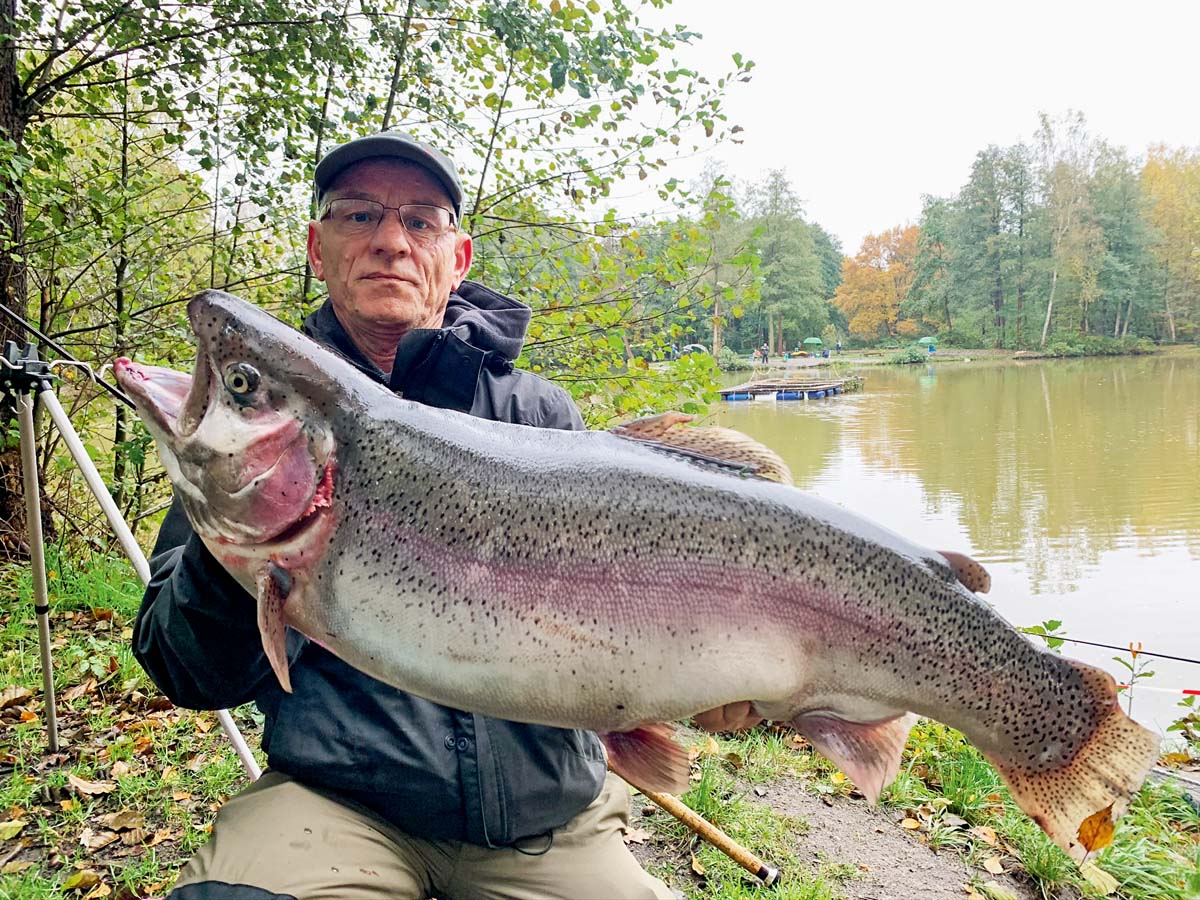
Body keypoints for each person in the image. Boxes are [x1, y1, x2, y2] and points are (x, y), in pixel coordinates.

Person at [133, 131, 759, 900]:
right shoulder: (259, 434)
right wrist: (241, 549)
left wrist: (715, 681)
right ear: (316, 248)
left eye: (420, 221)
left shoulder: (537, 413)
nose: (390, 242)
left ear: (456, 258)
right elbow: (187, 673)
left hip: (548, 820)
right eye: (358, 216)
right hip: (339, 806)